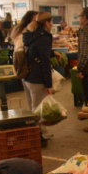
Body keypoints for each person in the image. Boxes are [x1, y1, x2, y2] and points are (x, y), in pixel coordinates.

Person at [23, 12, 54, 145]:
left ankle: (37, 133)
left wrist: (53, 52)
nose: (52, 24)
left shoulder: (30, 35)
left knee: (32, 107)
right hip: (37, 78)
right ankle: (38, 137)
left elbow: (35, 51)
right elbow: (45, 63)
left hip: (27, 76)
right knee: (38, 109)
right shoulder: (43, 38)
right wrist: (48, 84)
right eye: (52, 21)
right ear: (47, 22)